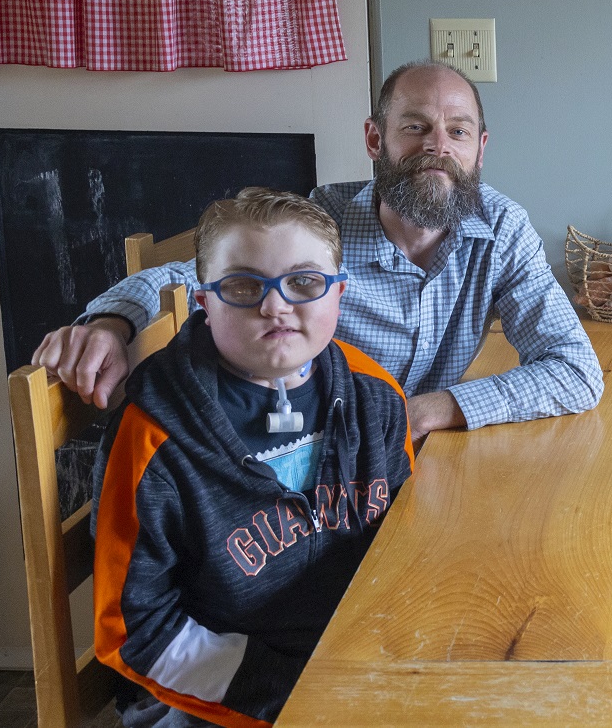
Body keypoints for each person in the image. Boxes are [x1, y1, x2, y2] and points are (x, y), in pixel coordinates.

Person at [33, 61, 604, 441]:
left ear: (479, 151)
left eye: (457, 131)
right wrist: (111, 322)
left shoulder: (501, 229)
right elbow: (184, 278)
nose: (437, 145)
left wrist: (427, 411)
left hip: (415, 462)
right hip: (313, 472)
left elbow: (576, 371)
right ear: (375, 140)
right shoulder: (317, 227)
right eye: (415, 126)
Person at [92, 188, 415, 726]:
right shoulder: (152, 437)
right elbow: (137, 626)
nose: (275, 305)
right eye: (242, 285)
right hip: (208, 693)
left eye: (305, 281)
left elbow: (407, 543)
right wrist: (293, 697)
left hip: (355, 669)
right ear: (205, 302)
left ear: (339, 294)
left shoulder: (377, 397)